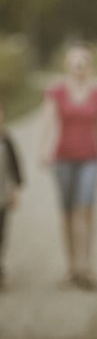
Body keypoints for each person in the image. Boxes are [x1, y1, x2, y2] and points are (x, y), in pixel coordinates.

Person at [39, 43, 97, 289]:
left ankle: (86, 267)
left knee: (86, 209)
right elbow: (47, 121)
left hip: (90, 158)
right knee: (67, 212)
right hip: (63, 158)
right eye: (75, 61)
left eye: (84, 61)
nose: (79, 66)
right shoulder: (56, 91)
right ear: (68, 65)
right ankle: (71, 267)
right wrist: (43, 149)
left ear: (90, 66)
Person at [0, 97, 23, 288]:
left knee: (1, 234)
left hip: (2, 198)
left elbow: (15, 168)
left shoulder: (6, 140)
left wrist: (14, 190)